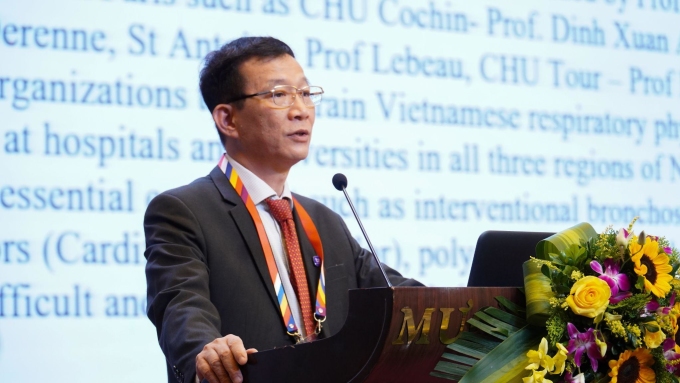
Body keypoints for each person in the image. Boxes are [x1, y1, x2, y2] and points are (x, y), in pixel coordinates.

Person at [144, 36, 421, 383]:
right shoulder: (183, 212)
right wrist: (208, 351)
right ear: (228, 119)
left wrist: (484, 311)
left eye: (305, 94)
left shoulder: (324, 221)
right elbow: (179, 306)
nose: (301, 109)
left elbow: (400, 297)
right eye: (279, 95)